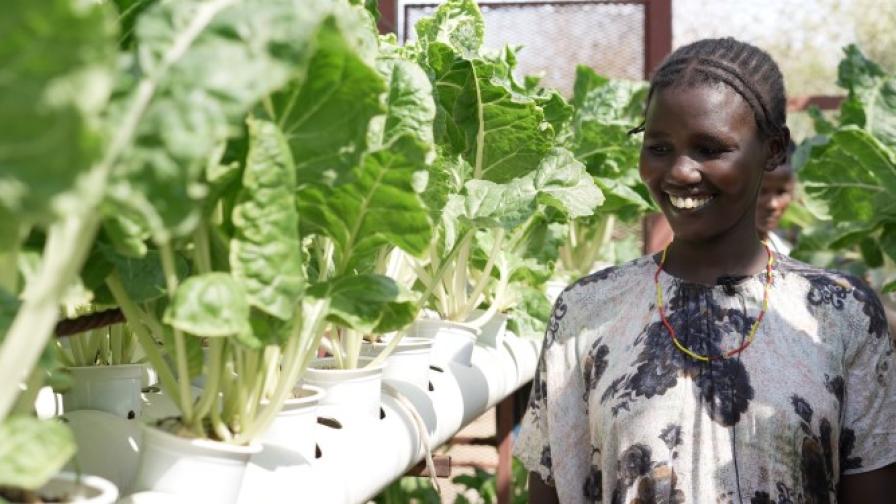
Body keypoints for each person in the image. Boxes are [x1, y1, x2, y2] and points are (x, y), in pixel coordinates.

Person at [515, 38, 896, 504]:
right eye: (658, 147)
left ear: (773, 150)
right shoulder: (586, 311)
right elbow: (551, 489)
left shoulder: (841, 313)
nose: (680, 171)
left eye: (710, 148)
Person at [756, 139, 797, 255]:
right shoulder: (708, 251)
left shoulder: (786, 254)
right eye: (762, 191)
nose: (772, 204)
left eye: (781, 192)